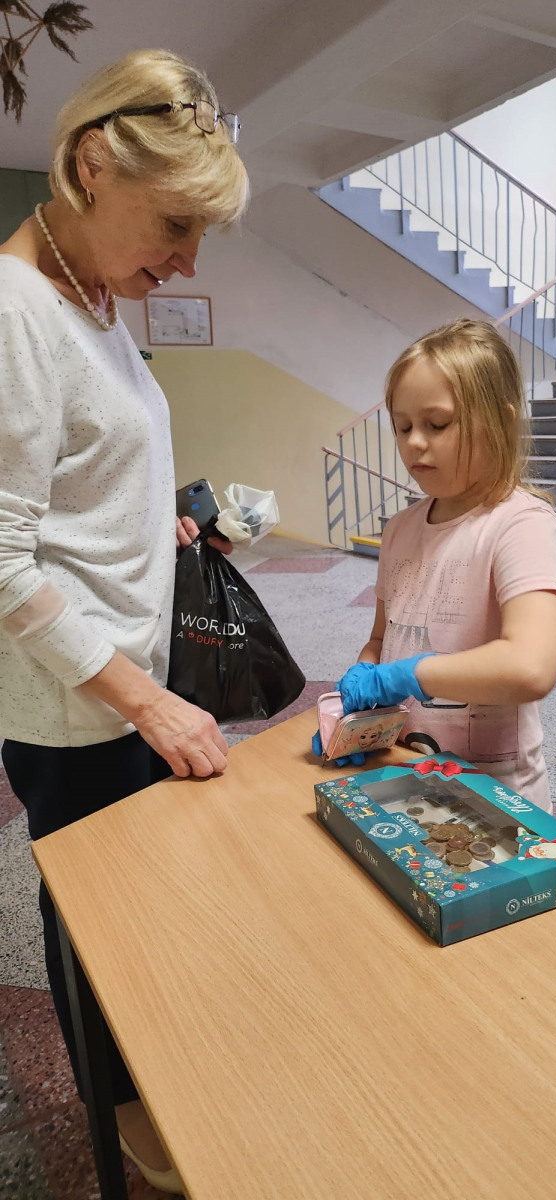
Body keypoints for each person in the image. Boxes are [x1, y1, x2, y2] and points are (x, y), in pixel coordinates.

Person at [0, 49, 248, 1193]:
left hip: (129, 683)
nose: (187, 261)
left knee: (151, 920)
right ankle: (122, 1118)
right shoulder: (15, 311)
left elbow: (78, 482)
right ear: (94, 164)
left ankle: (160, 1085)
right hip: (84, 708)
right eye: (176, 226)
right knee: (103, 938)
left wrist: (166, 522)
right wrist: (149, 704)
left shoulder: (94, 299)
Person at [333, 319, 556, 811]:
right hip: (408, 782)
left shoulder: (522, 526)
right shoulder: (400, 530)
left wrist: (411, 674)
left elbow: (531, 666)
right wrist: (363, 697)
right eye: (403, 427)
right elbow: (381, 640)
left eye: (437, 424)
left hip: (498, 803)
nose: (415, 442)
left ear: (500, 422)